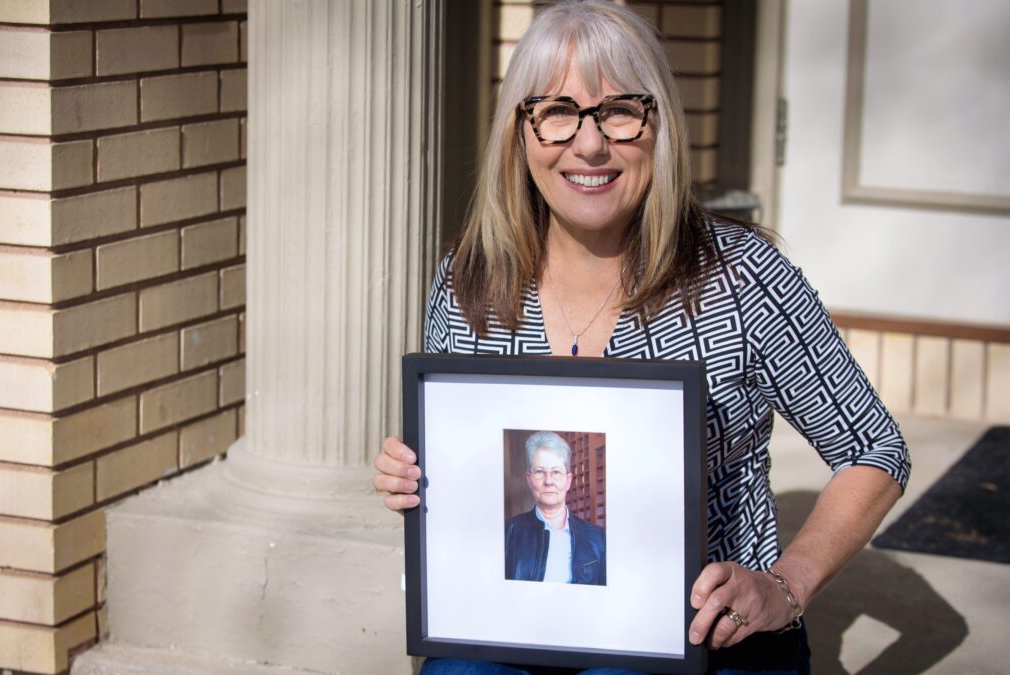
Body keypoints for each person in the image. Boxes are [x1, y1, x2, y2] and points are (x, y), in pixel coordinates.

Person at [373, 1, 910, 673]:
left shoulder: (741, 276)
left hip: (707, 634)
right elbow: (468, 484)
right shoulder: (471, 279)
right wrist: (417, 482)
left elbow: (874, 448)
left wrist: (786, 583)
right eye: (557, 112)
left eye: (620, 110)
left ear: (659, 125)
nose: (591, 144)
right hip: (522, 620)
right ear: (519, 132)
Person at [505, 431, 606, 585]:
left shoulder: (597, 539)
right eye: (540, 472)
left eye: (556, 472)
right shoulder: (507, 533)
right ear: (529, 479)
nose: (549, 481)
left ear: (568, 480)